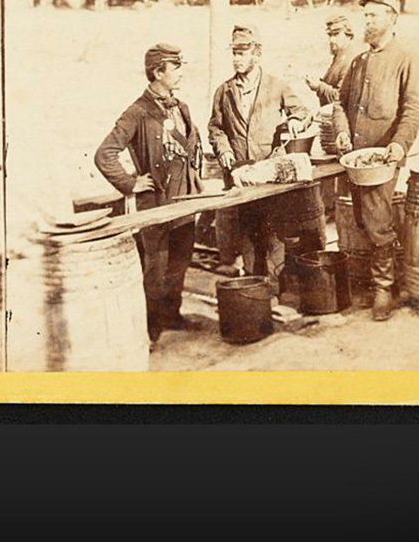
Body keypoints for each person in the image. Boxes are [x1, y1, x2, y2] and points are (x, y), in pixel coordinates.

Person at [94, 43, 207, 346]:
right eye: (176, 67)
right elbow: (104, 154)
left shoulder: (181, 106)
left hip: (184, 200)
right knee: (156, 269)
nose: (182, 73)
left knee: (180, 262)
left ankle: (172, 316)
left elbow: (191, 147)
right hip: (155, 204)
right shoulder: (137, 112)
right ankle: (149, 330)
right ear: (158, 72)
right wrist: (131, 184)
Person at [333, 0, 419, 320]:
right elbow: (340, 105)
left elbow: (413, 110)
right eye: (366, 16)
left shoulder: (407, 59)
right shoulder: (357, 61)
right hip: (357, 160)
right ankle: (384, 281)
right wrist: (342, 132)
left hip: (383, 160)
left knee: (377, 222)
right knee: (360, 218)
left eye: (374, 16)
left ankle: (384, 288)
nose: (367, 21)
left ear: (392, 18)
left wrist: (399, 145)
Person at [207, 25, 314, 294]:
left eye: (242, 52)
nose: (236, 58)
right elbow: (215, 127)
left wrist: (294, 122)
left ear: (258, 53)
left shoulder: (276, 86)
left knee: (274, 234)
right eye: (234, 53)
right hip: (240, 175)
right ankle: (256, 292)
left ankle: (276, 291)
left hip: (269, 172)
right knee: (248, 235)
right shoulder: (224, 91)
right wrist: (224, 150)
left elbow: (302, 111)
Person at [305, 13, 364, 107]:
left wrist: (319, 86)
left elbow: (342, 98)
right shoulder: (340, 55)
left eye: (336, 34)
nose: (331, 40)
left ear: (349, 36)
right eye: (330, 35)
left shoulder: (351, 59)